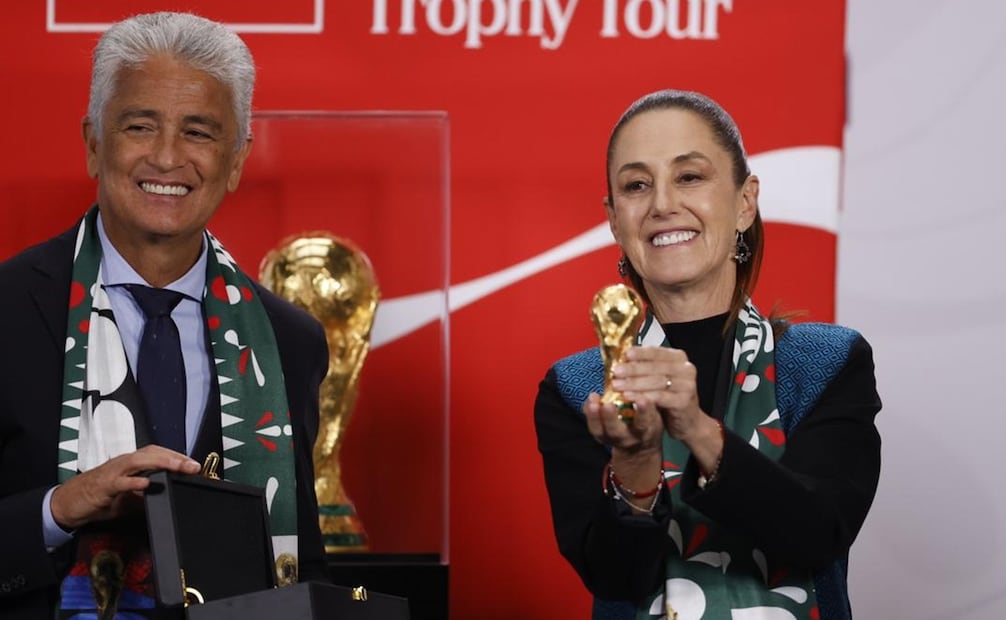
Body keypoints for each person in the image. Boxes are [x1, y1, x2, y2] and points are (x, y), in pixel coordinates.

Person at [0, 12, 328, 619]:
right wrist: (59, 509)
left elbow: (299, 565)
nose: (168, 157)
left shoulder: (291, 340)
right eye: (140, 126)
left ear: (236, 159)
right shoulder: (8, 309)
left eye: (199, 132)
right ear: (95, 142)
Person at [534, 89, 881, 620]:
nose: (662, 204)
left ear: (745, 202)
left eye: (689, 176)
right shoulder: (579, 386)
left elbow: (818, 533)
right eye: (636, 185)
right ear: (614, 218)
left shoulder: (828, 363)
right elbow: (615, 576)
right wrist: (633, 462)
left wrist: (694, 427)